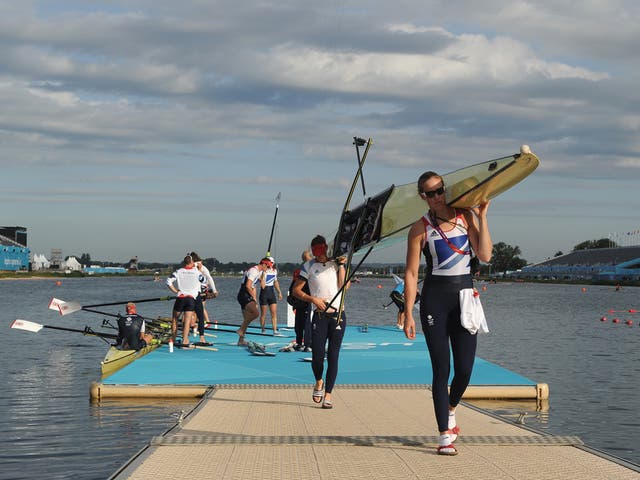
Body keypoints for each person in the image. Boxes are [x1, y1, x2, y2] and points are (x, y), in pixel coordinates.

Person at [403, 171, 492, 456]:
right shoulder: (420, 228)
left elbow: (486, 254)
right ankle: (444, 435)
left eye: (440, 190)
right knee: (442, 368)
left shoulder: (465, 217)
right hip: (435, 300)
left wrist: (481, 216)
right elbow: (411, 272)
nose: (437, 196)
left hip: (465, 298)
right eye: (430, 193)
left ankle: (451, 406)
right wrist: (408, 312)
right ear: (423, 197)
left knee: (465, 369)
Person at [292, 235, 348, 409]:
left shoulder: (336, 264)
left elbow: (344, 287)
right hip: (319, 316)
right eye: (317, 253)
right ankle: (318, 381)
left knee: (333, 355)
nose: (320, 256)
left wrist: (342, 266)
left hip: (338, 315)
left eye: (322, 252)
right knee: (317, 357)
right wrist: (313, 299)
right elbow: (296, 291)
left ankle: (329, 394)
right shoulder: (308, 266)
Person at [166, 254, 201, 348]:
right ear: (192, 262)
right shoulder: (197, 272)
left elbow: (168, 281)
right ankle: (185, 341)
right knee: (187, 321)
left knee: (175, 319)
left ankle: (173, 339)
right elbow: (203, 281)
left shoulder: (178, 271)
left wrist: (175, 290)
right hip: (190, 299)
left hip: (180, 298)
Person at [236, 257, 273, 345]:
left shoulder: (259, 271)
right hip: (244, 294)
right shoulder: (254, 271)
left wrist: (255, 298)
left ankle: (240, 340)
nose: (268, 269)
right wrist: (253, 297)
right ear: (263, 264)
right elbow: (248, 286)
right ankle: (241, 330)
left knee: (246, 318)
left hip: (247, 294)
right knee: (255, 313)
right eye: (267, 267)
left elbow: (259, 285)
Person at [190, 251, 218, 345]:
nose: (199, 265)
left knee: (197, 310)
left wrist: (214, 290)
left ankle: (194, 326)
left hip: (200, 290)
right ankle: (194, 327)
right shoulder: (197, 267)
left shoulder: (201, 267)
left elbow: (209, 278)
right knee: (196, 311)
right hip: (197, 290)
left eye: (200, 263)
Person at [289, 249, 313, 350]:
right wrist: (293, 302)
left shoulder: (306, 269)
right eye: (304, 260)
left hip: (307, 300)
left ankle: (305, 343)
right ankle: (303, 343)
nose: (305, 262)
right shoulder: (301, 271)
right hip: (302, 300)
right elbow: (293, 287)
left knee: (306, 323)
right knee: (301, 323)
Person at [259, 256, 283, 335]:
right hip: (264, 293)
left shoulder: (274, 271)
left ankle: (275, 330)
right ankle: (263, 329)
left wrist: (279, 292)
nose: (271, 264)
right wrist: (263, 273)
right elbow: (262, 285)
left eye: (272, 263)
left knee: (274, 313)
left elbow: (275, 282)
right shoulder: (262, 271)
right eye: (270, 263)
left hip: (271, 293)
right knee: (263, 313)